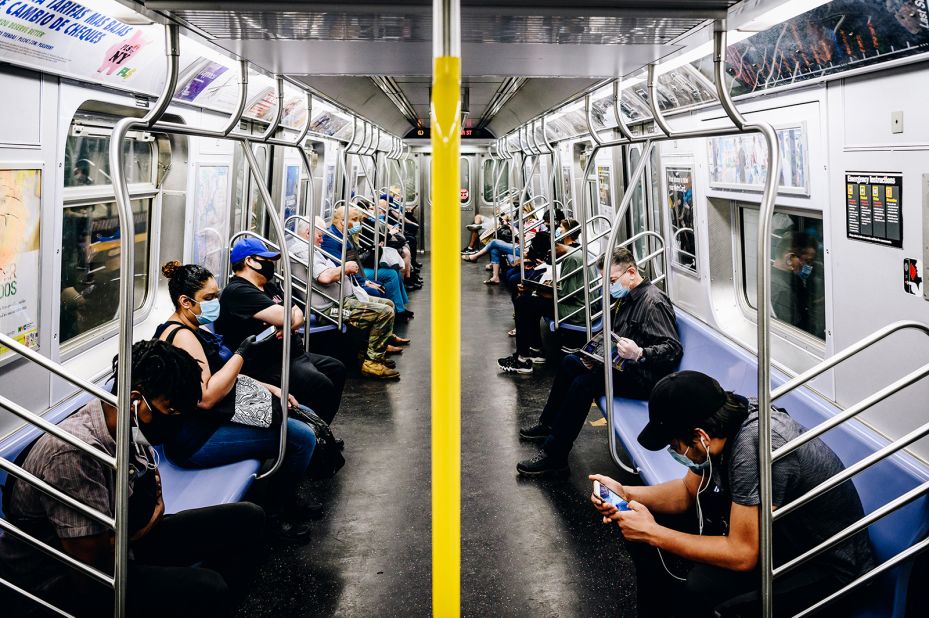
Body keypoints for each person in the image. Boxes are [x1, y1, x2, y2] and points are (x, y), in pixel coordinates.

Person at [0, 340, 266, 618]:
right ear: (136, 400)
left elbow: (152, 488)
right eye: (172, 412)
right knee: (209, 588)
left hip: (123, 540)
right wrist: (145, 523)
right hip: (64, 577)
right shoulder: (74, 454)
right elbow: (93, 570)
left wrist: (141, 523)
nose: (177, 422)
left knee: (248, 518)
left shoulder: (130, 422)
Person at [590, 371, 874, 617]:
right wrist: (626, 493)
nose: (674, 453)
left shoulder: (755, 449)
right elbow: (688, 492)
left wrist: (654, 532)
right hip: (778, 536)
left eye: (674, 445)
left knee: (704, 589)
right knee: (646, 535)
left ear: (699, 435)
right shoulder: (727, 420)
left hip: (826, 568)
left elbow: (743, 553)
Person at [155, 261, 319, 541]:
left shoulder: (196, 328)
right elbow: (205, 398)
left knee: (303, 412)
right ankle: (274, 517)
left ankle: (285, 500)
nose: (215, 303)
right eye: (208, 298)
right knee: (301, 438)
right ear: (185, 301)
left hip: (214, 421)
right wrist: (242, 354)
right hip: (196, 438)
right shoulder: (182, 337)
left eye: (216, 295)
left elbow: (224, 377)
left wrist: (269, 388)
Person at [517, 247, 682, 476]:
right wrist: (595, 356)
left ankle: (556, 456)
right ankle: (548, 424)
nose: (609, 286)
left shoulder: (653, 303)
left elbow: (672, 349)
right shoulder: (627, 298)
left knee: (585, 383)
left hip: (644, 378)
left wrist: (640, 352)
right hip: (623, 366)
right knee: (570, 362)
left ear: (632, 272)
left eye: (612, 280)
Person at [215, 237, 346, 425]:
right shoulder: (238, 291)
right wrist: (288, 319)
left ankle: (319, 429)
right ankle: (311, 433)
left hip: (291, 354)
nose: (271, 265)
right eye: (266, 260)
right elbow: (286, 316)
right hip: (266, 363)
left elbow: (298, 313)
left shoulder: (268, 286)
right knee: (320, 385)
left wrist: (289, 321)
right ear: (249, 261)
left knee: (336, 369)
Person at [310, 217, 408, 379]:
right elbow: (325, 277)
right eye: (319, 236)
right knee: (383, 312)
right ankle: (372, 363)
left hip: (342, 300)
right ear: (308, 233)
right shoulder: (305, 252)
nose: (322, 239)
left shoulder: (315, 250)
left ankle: (370, 352)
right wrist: (345, 269)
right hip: (329, 309)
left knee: (387, 305)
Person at [497, 220, 593, 373]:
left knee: (524, 302)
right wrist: (534, 289)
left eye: (549, 254)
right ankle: (535, 350)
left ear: (556, 247)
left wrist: (535, 290)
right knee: (528, 302)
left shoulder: (572, 259)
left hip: (575, 310)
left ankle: (522, 359)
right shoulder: (572, 255)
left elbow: (565, 295)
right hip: (573, 303)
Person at [319, 207, 412, 320]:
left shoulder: (344, 234)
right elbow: (340, 267)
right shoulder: (331, 239)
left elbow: (353, 257)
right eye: (354, 219)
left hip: (358, 269)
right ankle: (396, 312)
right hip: (351, 276)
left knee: (394, 271)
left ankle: (400, 307)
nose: (357, 223)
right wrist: (364, 282)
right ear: (343, 221)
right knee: (390, 274)